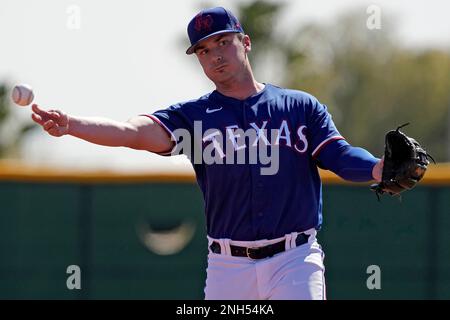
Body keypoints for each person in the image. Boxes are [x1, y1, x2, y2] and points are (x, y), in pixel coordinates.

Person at [31, 7, 383, 300]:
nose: (215, 55)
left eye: (223, 42)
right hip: (228, 267)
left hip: (294, 258)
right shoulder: (193, 117)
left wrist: (378, 168)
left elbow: (338, 155)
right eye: (204, 50)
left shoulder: (298, 107)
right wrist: (72, 124)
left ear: (245, 43)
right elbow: (132, 133)